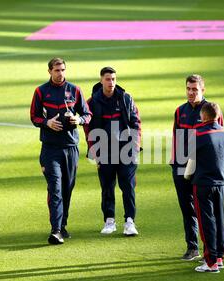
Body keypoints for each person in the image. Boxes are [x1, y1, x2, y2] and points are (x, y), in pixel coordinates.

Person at [30, 57, 92, 245]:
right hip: (50, 148)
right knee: (55, 188)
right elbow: (34, 116)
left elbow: (87, 114)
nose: (60, 73)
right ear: (49, 71)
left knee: (67, 188)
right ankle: (55, 230)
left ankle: (62, 225)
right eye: (57, 70)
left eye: (63, 70)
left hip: (70, 147)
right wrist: (46, 122)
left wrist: (78, 120)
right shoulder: (41, 92)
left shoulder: (75, 90)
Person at [171, 74, 224, 261]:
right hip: (181, 166)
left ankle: (211, 250)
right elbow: (176, 138)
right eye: (188, 89)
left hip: (203, 169)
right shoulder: (180, 111)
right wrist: (176, 164)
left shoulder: (211, 110)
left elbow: (220, 139)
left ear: (203, 90)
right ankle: (192, 247)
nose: (191, 92)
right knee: (187, 208)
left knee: (206, 211)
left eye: (195, 89)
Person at [83, 67, 142, 236]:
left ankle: (130, 221)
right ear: (101, 80)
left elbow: (136, 122)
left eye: (114, 79)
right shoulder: (92, 102)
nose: (111, 83)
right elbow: (88, 128)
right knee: (107, 187)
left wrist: (136, 145)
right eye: (108, 79)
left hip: (126, 150)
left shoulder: (125, 98)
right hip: (105, 151)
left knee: (128, 186)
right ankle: (109, 220)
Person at [184, 102, 224, 273]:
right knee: (219, 219)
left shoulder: (197, 134)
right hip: (220, 182)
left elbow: (191, 161)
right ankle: (219, 257)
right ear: (218, 115)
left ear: (203, 116)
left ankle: (210, 261)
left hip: (202, 183)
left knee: (206, 221)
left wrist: (186, 177)